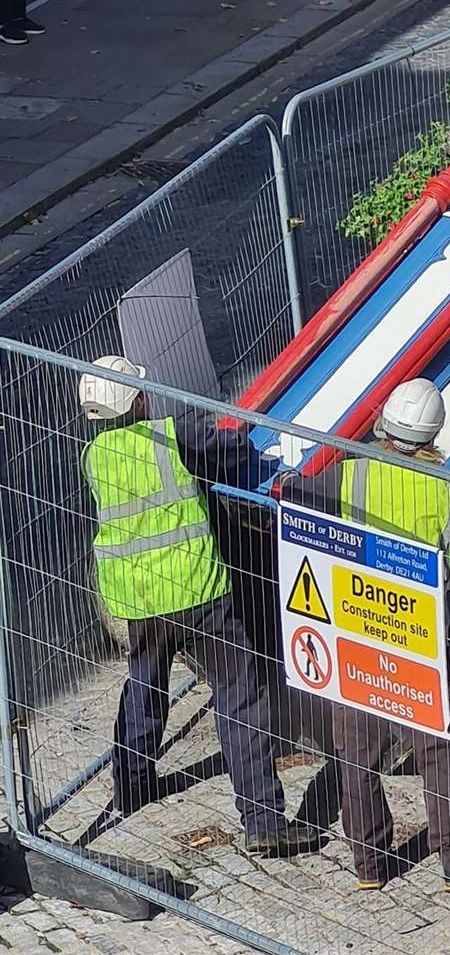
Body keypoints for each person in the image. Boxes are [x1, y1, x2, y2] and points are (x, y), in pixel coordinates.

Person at [79, 355, 321, 858]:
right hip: (200, 592)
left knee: (144, 688)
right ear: (138, 399)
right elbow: (229, 450)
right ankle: (263, 820)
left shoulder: (95, 456)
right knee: (239, 699)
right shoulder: (172, 437)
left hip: (141, 601)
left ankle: (132, 783)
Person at [286, 378, 450, 892]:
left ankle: (369, 864)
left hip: (356, 627)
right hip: (416, 631)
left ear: (383, 423)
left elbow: (297, 494)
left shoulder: (351, 473)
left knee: (356, 750)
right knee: (440, 748)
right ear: (434, 434)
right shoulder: (445, 486)